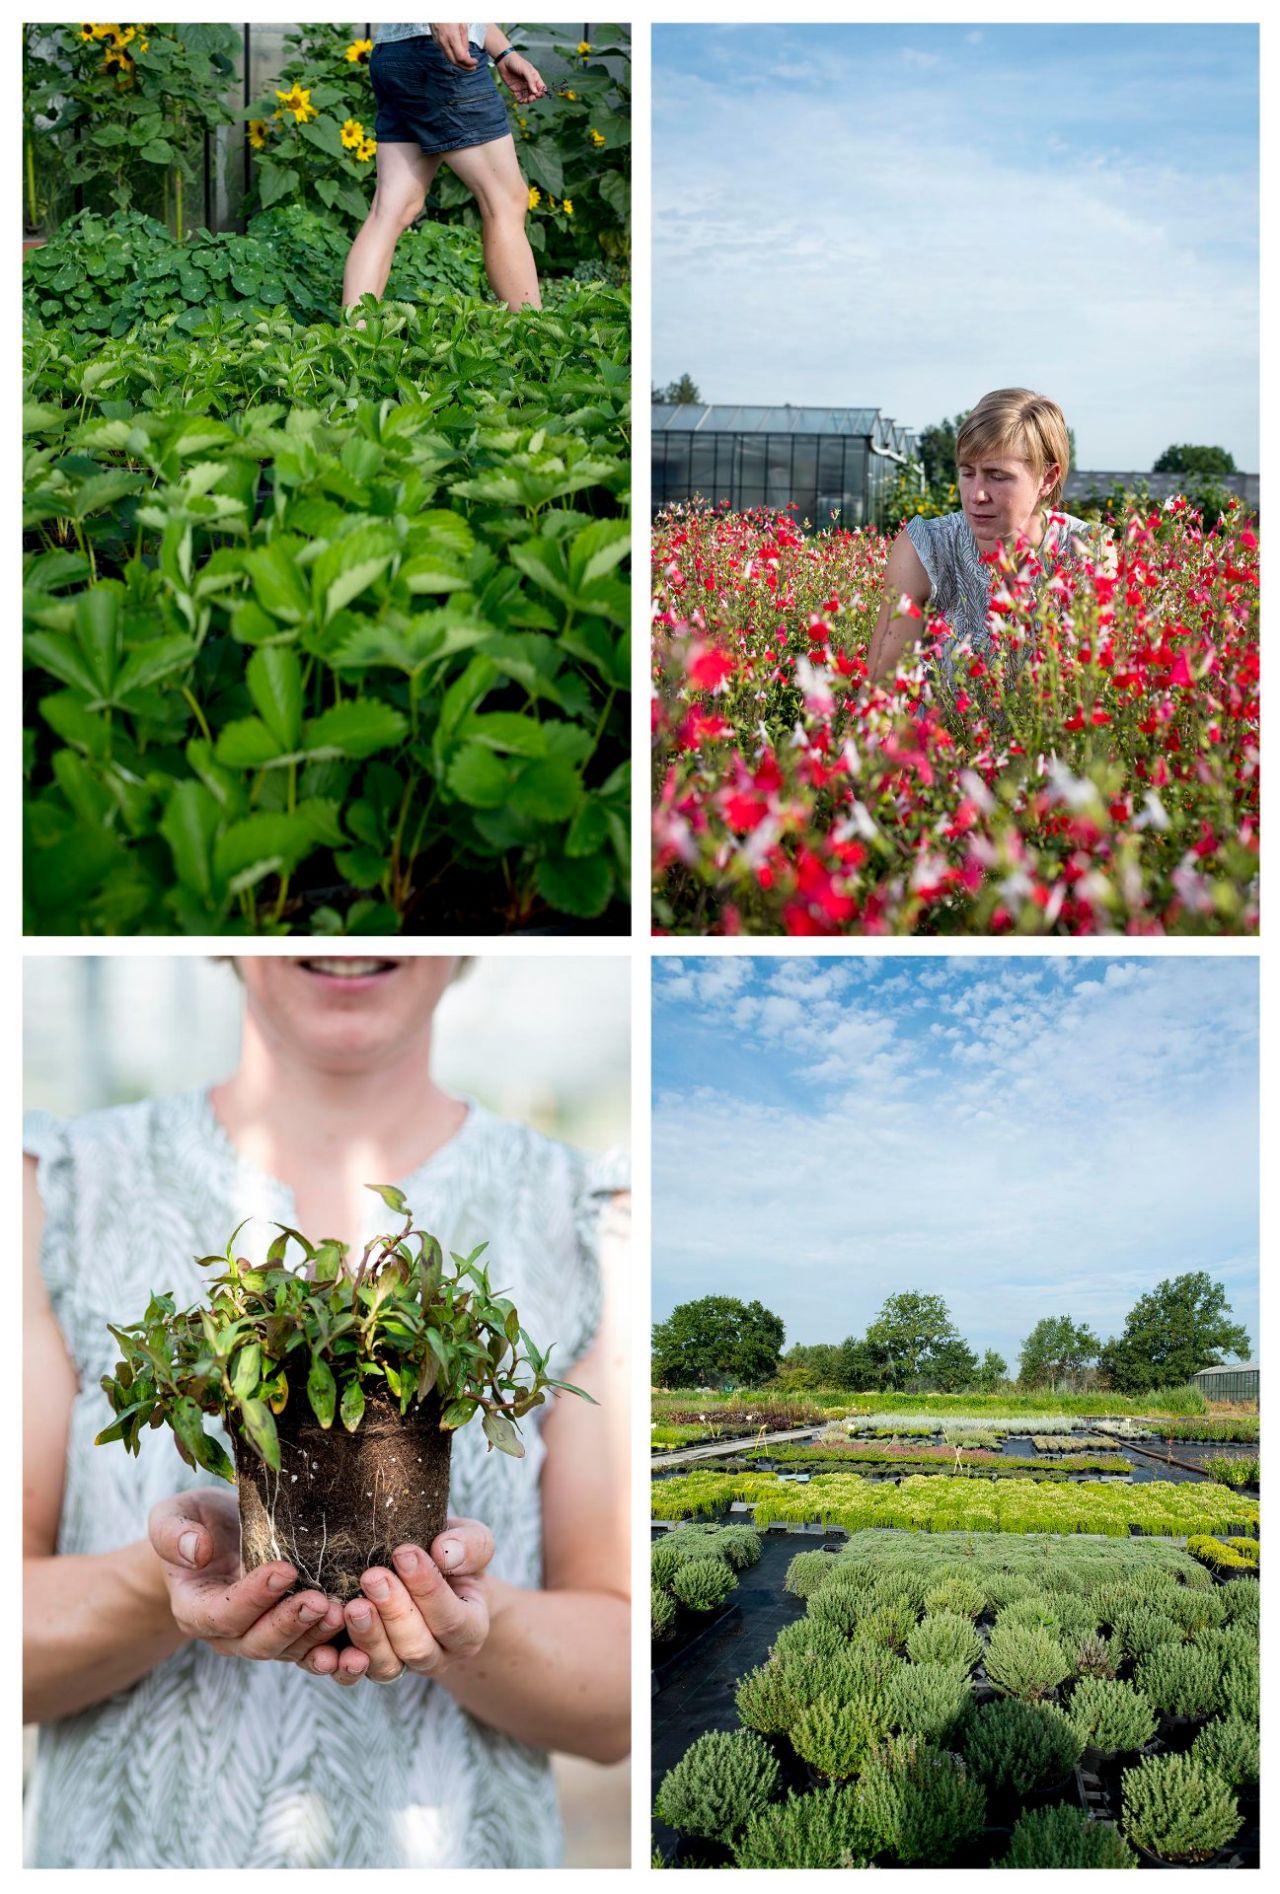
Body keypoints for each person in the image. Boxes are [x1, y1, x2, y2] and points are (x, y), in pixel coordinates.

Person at [23, 955, 629, 1869]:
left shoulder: (586, 1218)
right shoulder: (56, 1189)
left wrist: (468, 1621)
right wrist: (179, 1578)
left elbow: (620, 1698)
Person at [868, 388, 1103, 685]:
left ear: (1047, 478)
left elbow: (1096, 686)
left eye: (997, 476)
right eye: (968, 473)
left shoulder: (1086, 550)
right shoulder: (924, 548)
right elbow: (882, 688)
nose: (976, 495)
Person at [343, 23, 548, 313]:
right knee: (505, 201)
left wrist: (505, 54)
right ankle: (533, 335)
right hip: (444, 51)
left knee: (389, 211)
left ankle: (353, 333)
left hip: (394, 52)